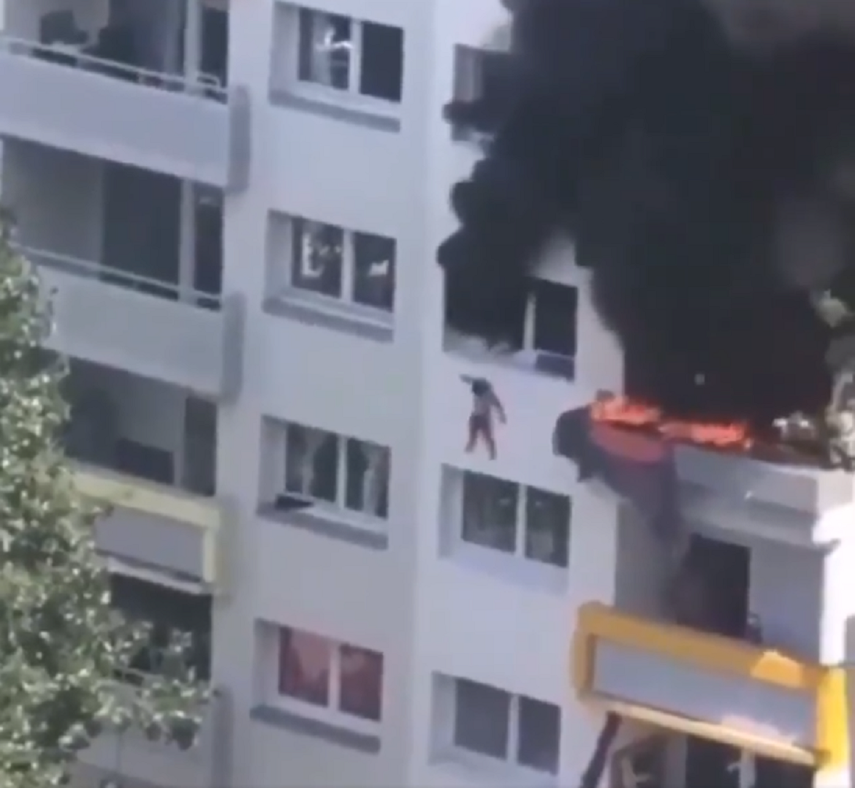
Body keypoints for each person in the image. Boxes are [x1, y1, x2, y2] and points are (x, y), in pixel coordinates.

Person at [463, 376, 506, 459]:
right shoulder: (477, 385)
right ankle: (466, 454)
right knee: (472, 438)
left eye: (478, 393)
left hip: (484, 419)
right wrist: (464, 378)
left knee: (488, 438)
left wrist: (502, 416)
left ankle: (492, 456)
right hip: (475, 417)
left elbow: (498, 405)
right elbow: (471, 380)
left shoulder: (489, 395)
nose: (476, 395)